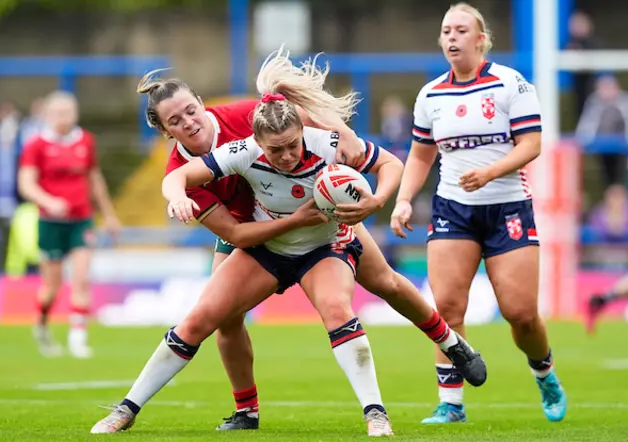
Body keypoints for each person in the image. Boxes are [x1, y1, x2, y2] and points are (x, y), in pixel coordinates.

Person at [91, 48, 486, 436]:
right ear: (164, 131)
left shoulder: (256, 118)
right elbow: (234, 232)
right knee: (209, 318)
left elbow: (320, 127)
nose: (189, 122)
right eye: (175, 121)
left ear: (200, 102)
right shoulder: (228, 155)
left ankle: (440, 353)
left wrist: (361, 174)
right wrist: (178, 196)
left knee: (384, 285)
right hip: (257, 232)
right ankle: (170, 410)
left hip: (325, 231)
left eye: (191, 110)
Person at [390, 2, 567, 424]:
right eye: (446, 31)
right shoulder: (431, 94)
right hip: (453, 208)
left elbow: (531, 145)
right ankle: (451, 404)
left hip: (507, 207)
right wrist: (402, 198)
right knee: (447, 308)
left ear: (480, 39)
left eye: (461, 30)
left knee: (520, 314)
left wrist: (489, 172)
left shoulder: (511, 83)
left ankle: (543, 371)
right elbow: (420, 155)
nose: (452, 37)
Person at [18, 91, 121, 358]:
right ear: (48, 115)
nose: (64, 118)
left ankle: (78, 337)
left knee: (82, 278)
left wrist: (108, 214)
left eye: (68, 112)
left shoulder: (85, 141)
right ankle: (41, 324)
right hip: (50, 223)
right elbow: (26, 183)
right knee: (51, 288)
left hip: (81, 220)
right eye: (58, 113)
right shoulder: (36, 145)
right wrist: (48, 201)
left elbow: (94, 179)